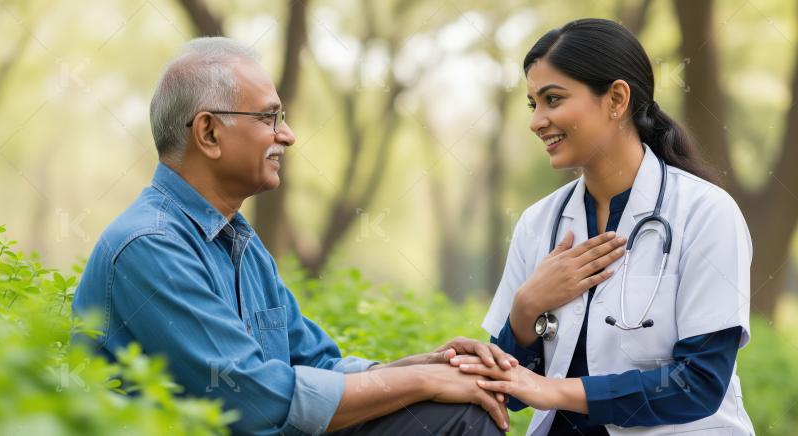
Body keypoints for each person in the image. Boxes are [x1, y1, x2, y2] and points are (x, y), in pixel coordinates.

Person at [72, 37, 515, 436]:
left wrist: (423, 366)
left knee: (461, 417)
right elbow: (253, 398)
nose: (287, 135)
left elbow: (314, 362)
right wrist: (421, 383)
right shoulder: (150, 245)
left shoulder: (240, 242)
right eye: (268, 117)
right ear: (209, 132)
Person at [449, 18, 755, 435]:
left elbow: (697, 383)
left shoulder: (705, 213)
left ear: (616, 99)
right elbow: (512, 394)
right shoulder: (538, 223)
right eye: (532, 104)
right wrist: (525, 307)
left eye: (552, 99)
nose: (537, 121)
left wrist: (555, 391)